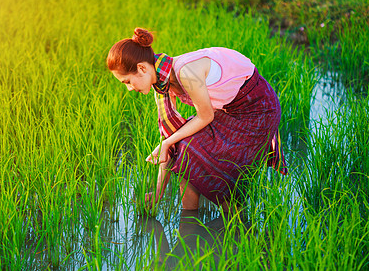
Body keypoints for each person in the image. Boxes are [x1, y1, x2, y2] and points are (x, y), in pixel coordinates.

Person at [106, 28, 286, 212]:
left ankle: (236, 221)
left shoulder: (186, 72)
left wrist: (168, 142)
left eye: (127, 81)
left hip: (258, 110)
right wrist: (158, 191)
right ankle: (189, 222)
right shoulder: (162, 84)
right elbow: (171, 137)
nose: (129, 88)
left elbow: (205, 116)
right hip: (230, 110)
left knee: (202, 157)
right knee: (185, 148)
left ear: (142, 68)